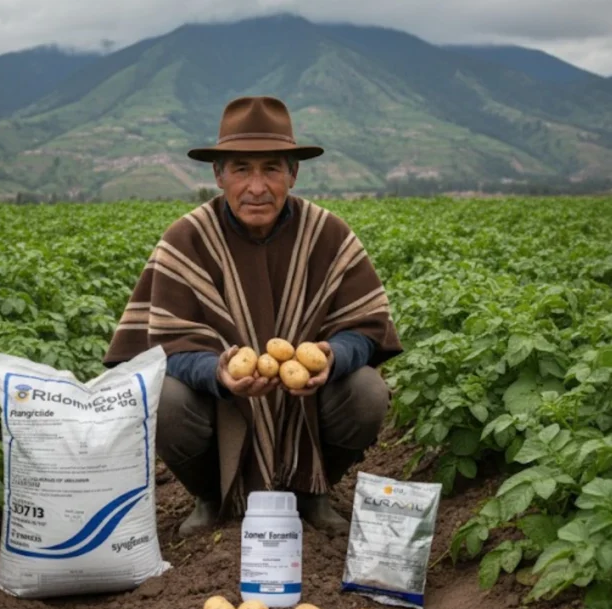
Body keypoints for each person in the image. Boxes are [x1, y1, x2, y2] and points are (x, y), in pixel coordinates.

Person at [103, 95, 402, 537]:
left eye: (272, 169)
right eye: (241, 169)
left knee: (367, 392)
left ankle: (312, 492)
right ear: (218, 175)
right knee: (161, 400)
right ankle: (211, 494)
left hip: (309, 409)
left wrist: (332, 356)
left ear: (293, 174)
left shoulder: (327, 233)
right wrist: (219, 373)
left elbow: (365, 328)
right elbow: (164, 348)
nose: (257, 187)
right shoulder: (187, 239)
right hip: (220, 408)